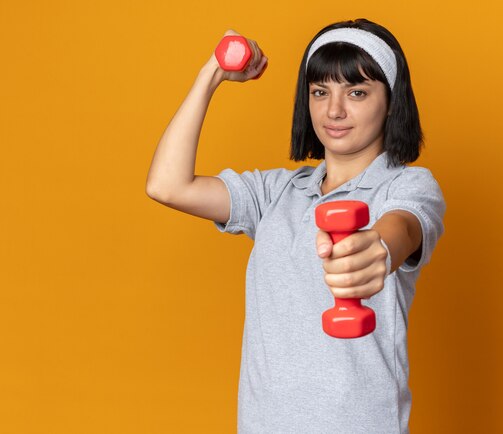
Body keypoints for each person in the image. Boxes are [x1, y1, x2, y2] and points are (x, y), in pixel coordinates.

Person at [146, 18, 446, 434]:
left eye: (357, 92)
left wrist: (378, 249)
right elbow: (167, 185)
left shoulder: (406, 185)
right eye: (320, 92)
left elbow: (404, 228)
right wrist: (211, 74)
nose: (334, 110)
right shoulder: (276, 193)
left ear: (392, 101)